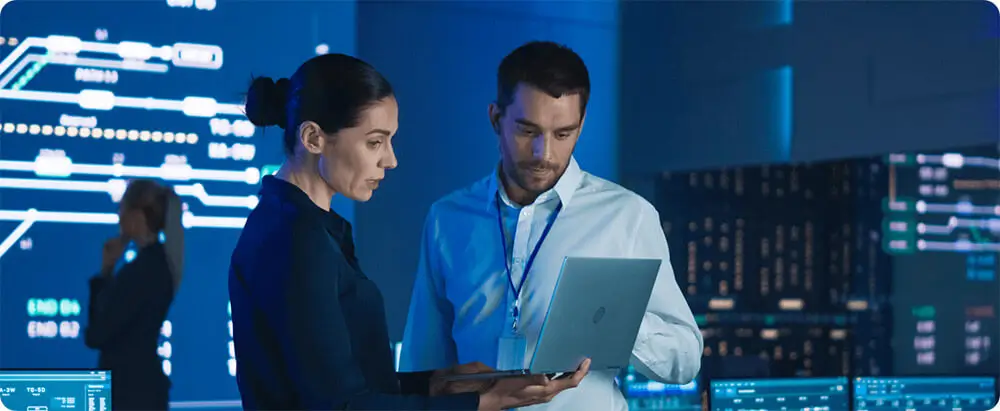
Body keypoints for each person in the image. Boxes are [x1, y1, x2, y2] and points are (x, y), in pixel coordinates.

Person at [228, 53, 589, 411]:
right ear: (312, 137)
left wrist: (440, 384)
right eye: (374, 142)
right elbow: (342, 406)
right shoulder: (296, 239)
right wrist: (478, 404)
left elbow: (341, 385)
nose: (390, 159)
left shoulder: (300, 226)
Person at [400, 41, 704, 410]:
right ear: (496, 118)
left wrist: (617, 320)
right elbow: (423, 365)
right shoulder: (446, 219)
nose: (545, 154)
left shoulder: (628, 216)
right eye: (528, 132)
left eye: (563, 134)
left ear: (581, 126)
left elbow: (685, 360)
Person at [84, 179, 184, 410]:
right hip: (141, 390)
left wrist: (104, 275)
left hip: (130, 394)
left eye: (122, 209)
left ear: (137, 215)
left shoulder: (143, 271)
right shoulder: (158, 264)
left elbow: (97, 334)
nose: (119, 217)